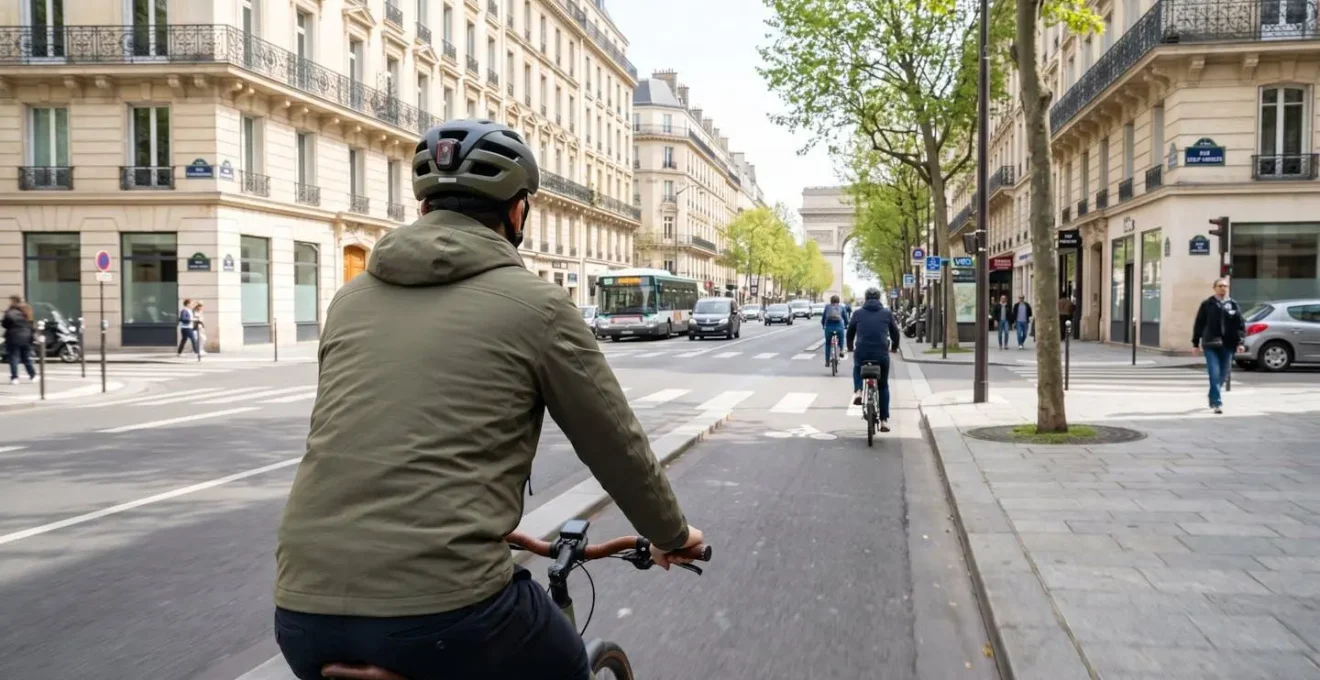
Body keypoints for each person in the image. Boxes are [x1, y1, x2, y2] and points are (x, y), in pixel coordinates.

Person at [273, 120, 704, 680]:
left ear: (424, 207)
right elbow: (615, 446)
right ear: (518, 212)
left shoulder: (349, 300)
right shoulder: (540, 307)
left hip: (302, 616)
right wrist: (673, 535)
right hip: (449, 612)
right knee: (565, 664)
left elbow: (359, 433)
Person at [846, 287, 901, 433]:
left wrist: (850, 347)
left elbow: (850, 332)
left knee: (858, 367)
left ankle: (858, 390)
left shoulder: (857, 313)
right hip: (881, 353)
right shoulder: (887, 313)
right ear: (878, 298)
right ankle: (883, 420)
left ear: (865, 298)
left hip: (862, 351)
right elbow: (895, 333)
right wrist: (894, 347)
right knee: (883, 386)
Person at [1192, 277, 1246, 415]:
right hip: (1210, 343)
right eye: (1220, 286)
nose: (1223, 288)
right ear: (1214, 288)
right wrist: (1195, 343)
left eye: (1225, 286)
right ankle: (1217, 402)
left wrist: (1240, 342)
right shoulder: (1207, 304)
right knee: (1214, 374)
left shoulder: (1233, 304)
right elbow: (1199, 323)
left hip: (1228, 344)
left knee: (1223, 375)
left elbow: (1240, 325)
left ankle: (1212, 394)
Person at [3, 295, 37, 385]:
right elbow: (32, 326)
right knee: (26, 358)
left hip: (13, 337)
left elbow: (5, 324)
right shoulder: (27, 311)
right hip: (26, 337)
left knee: (14, 358)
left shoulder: (10, 312)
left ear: (13, 302)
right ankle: (33, 375)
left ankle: (15, 378)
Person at [821, 294, 850, 365]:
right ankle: (841, 351)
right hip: (839, 327)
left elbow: (823, 318)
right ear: (838, 301)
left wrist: (823, 325)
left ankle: (827, 361)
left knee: (828, 344)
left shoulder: (827, 307)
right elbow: (845, 318)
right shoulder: (841, 307)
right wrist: (846, 325)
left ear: (831, 301)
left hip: (829, 327)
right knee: (842, 338)